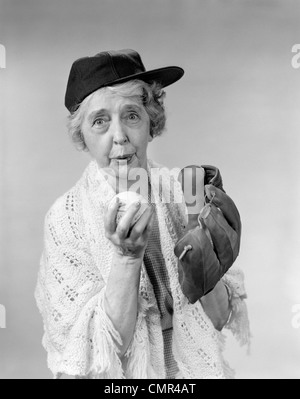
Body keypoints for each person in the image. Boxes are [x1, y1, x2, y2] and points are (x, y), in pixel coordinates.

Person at [35, 49, 250, 379]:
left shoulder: (185, 193)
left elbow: (217, 321)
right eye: (100, 121)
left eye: (132, 115)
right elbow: (104, 355)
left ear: (152, 122)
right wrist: (127, 258)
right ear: (83, 136)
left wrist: (208, 273)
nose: (119, 136)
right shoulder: (65, 220)